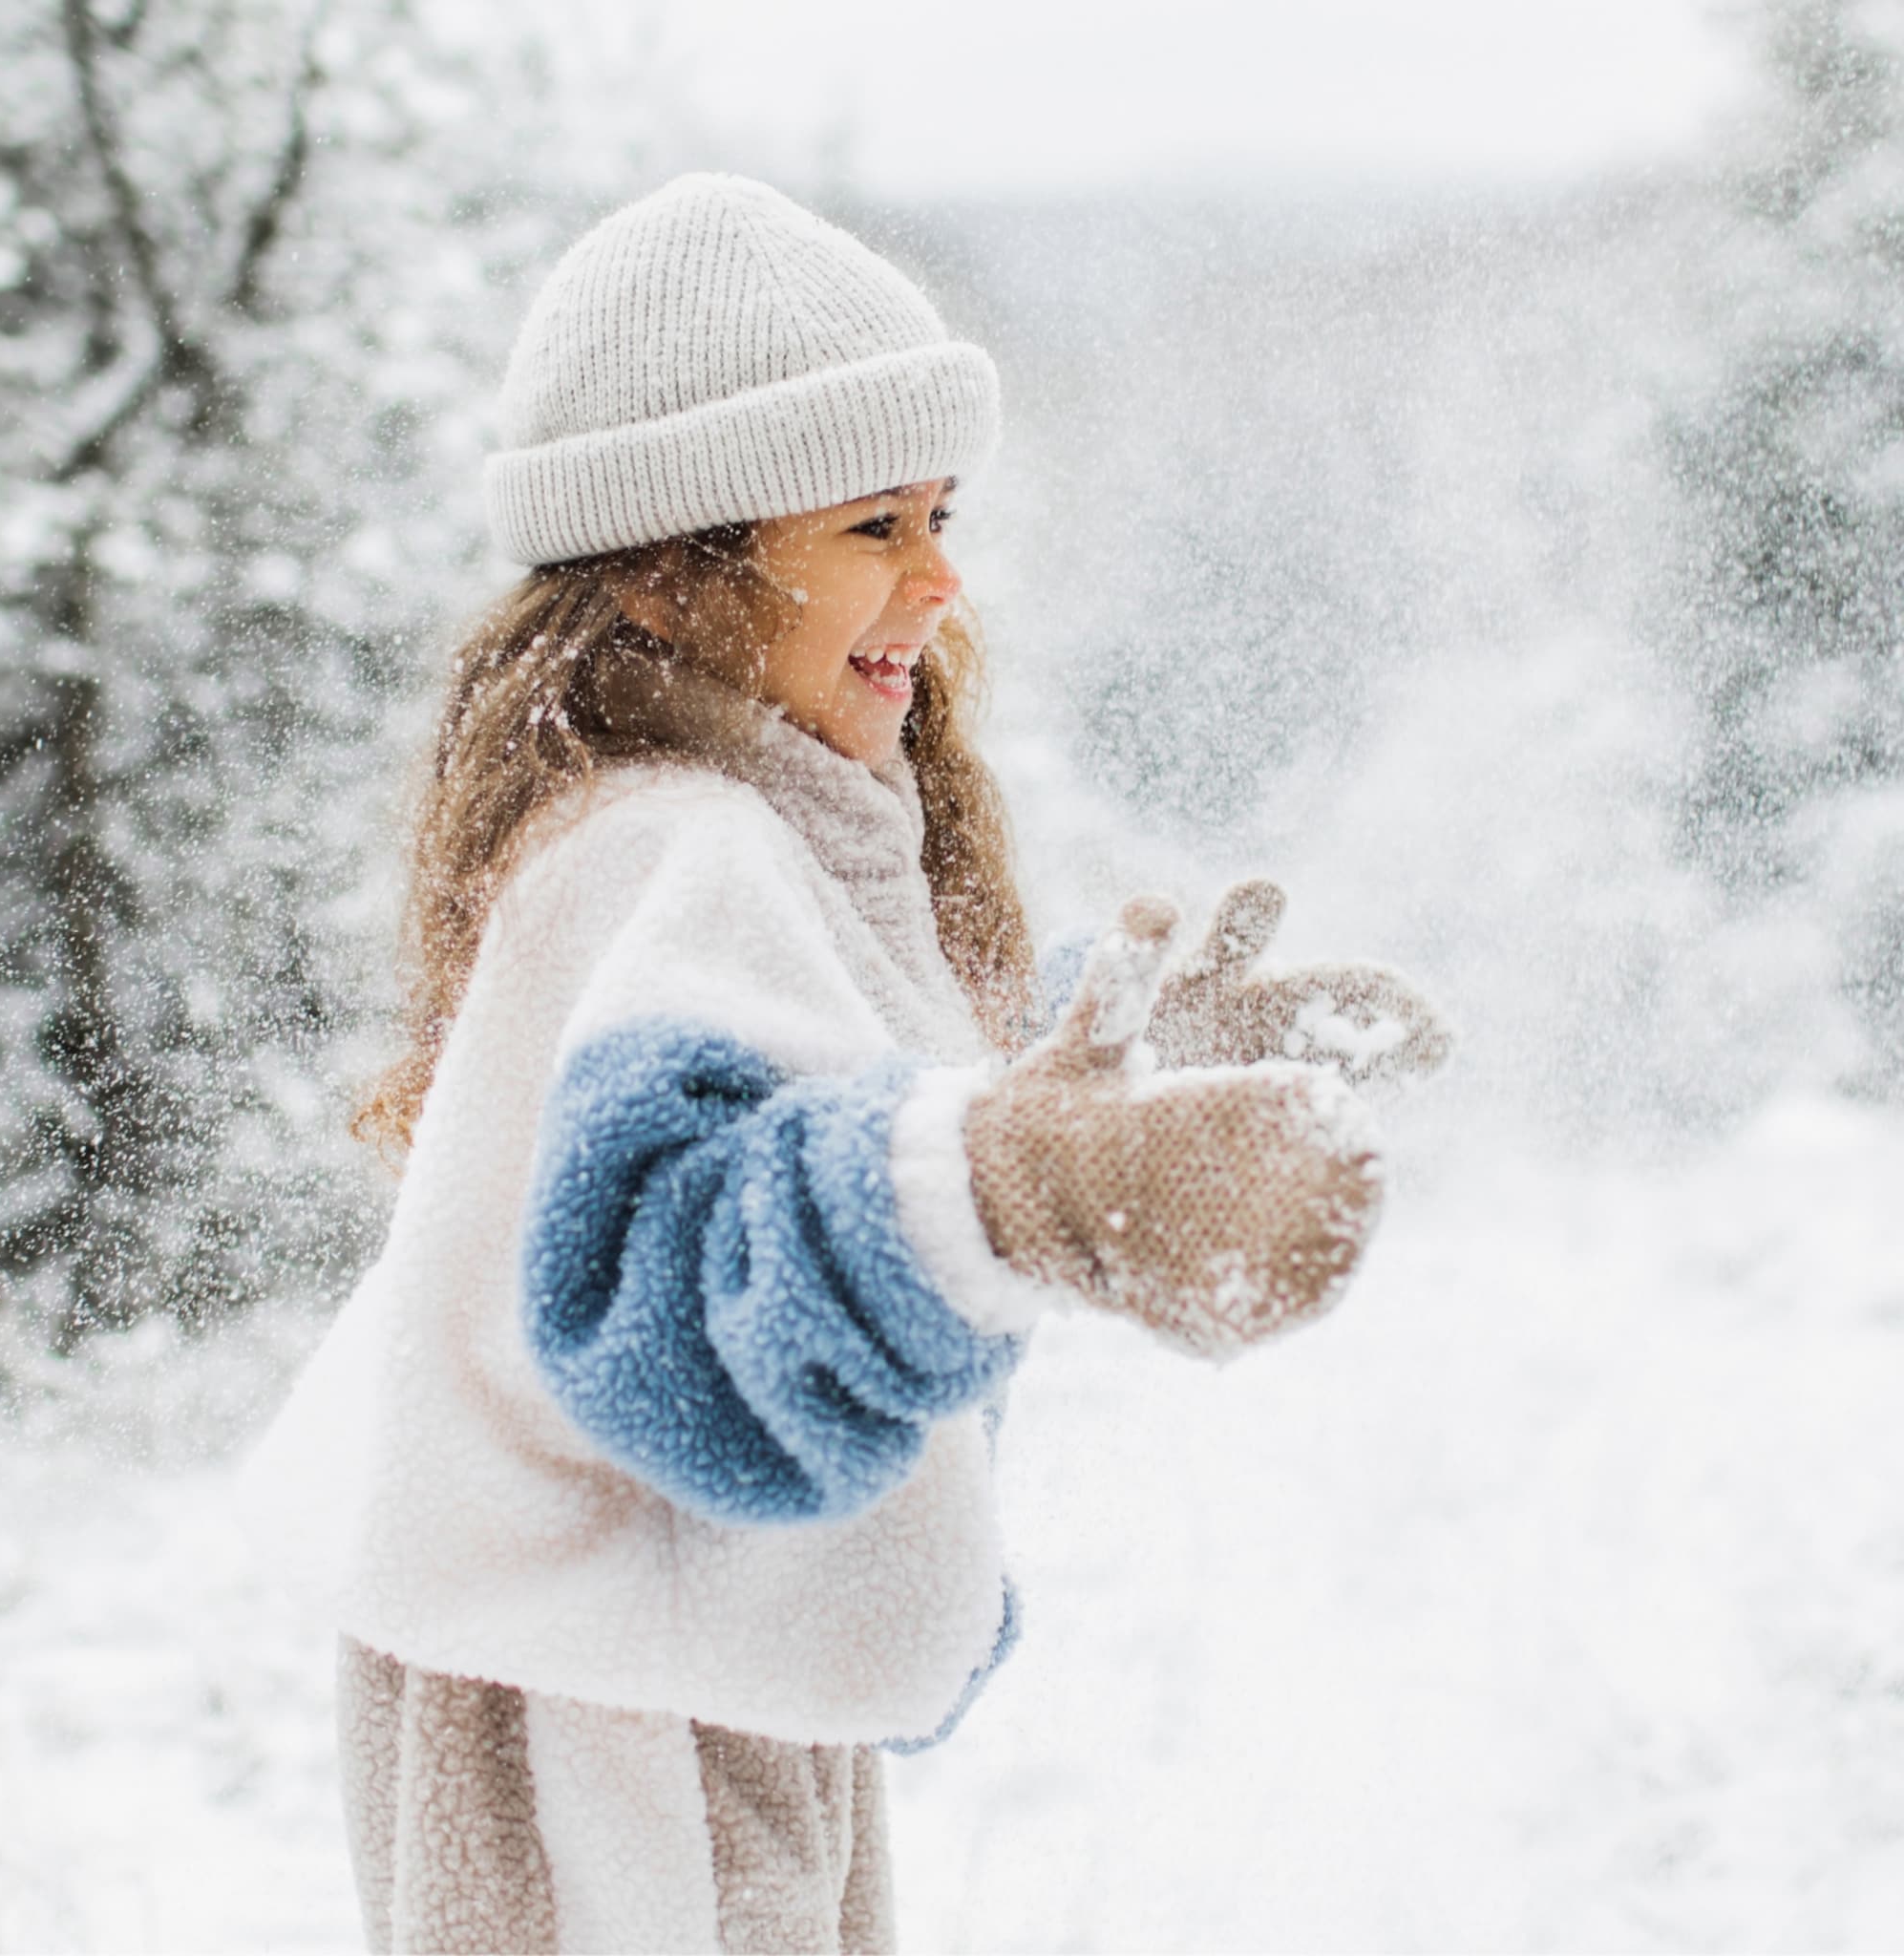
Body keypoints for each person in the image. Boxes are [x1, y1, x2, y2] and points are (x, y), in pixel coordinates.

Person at [238, 172, 1450, 1956]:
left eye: (942, 512)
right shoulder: (663, 850)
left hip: (667, 1661)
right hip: (606, 1728)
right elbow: (670, 1251)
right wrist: (1025, 1180)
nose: (942, 577)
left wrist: (1078, 1074)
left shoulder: (751, 827)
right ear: (668, 574)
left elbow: (806, 1092)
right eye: (875, 523)